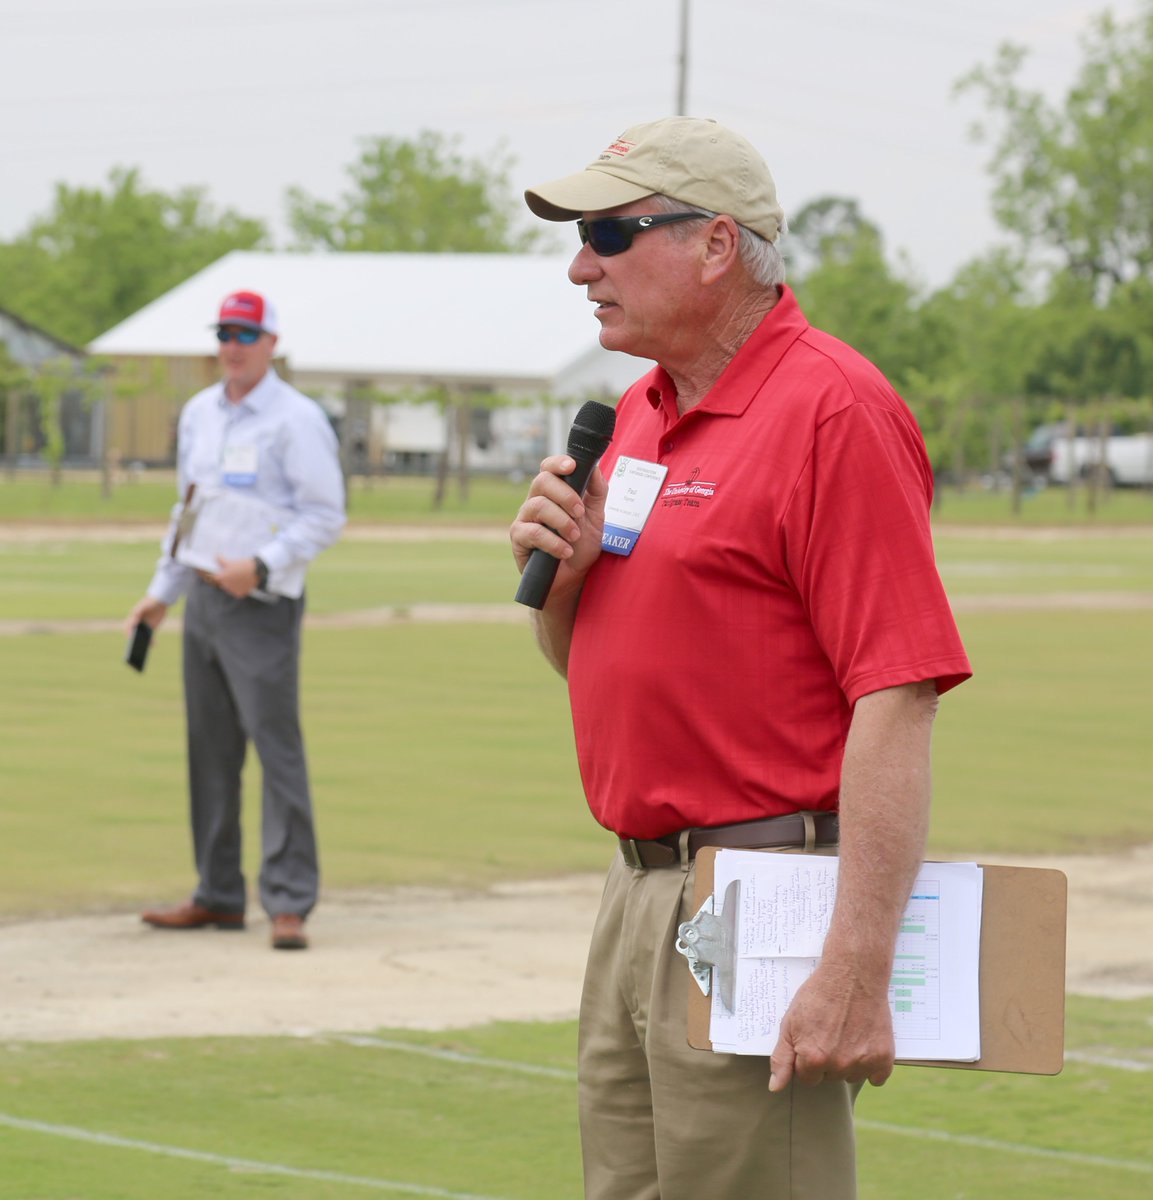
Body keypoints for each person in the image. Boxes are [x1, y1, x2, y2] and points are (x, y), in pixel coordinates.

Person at [509, 117, 972, 1200]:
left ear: (717, 244)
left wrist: (854, 965)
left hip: (764, 895)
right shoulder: (637, 411)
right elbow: (596, 665)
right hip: (636, 887)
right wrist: (562, 584)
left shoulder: (832, 409)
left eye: (610, 235)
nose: (581, 267)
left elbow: (898, 693)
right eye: (581, 238)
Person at [128, 290, 346, 952]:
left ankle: (289, 900)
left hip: (261, 604)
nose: (232, 345)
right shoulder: (200, 412)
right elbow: (188, 508)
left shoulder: (296, 418)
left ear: (271, 342)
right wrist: (161, 591)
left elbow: (325, 515)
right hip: (202, 597)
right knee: (210, 749)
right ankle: (218, 893)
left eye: (246, 334)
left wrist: (261, 564)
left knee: (275, 749)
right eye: (224, 332)